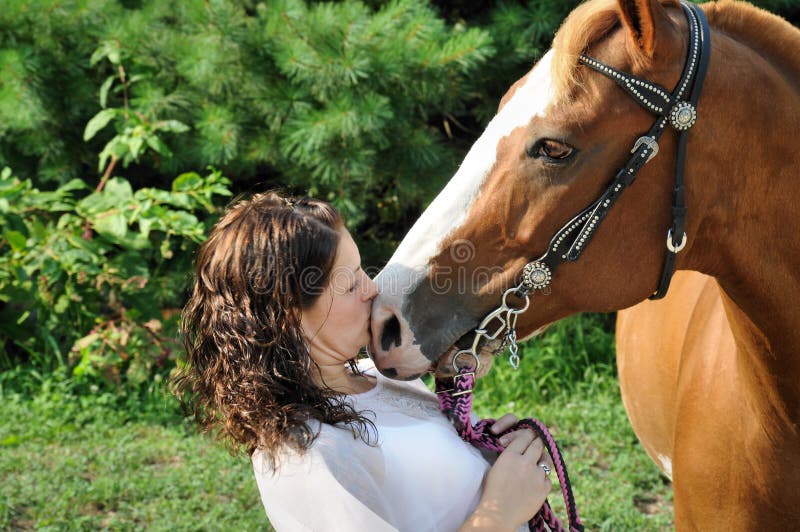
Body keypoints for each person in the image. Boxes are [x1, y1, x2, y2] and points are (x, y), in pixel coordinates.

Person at [174, 192, 552, 531]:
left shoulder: (378, 376)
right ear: (288, 315)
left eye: (362, 272)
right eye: (352, 284)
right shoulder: (306, 457)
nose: (372, 289)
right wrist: (498, 513)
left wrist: (487, 453)